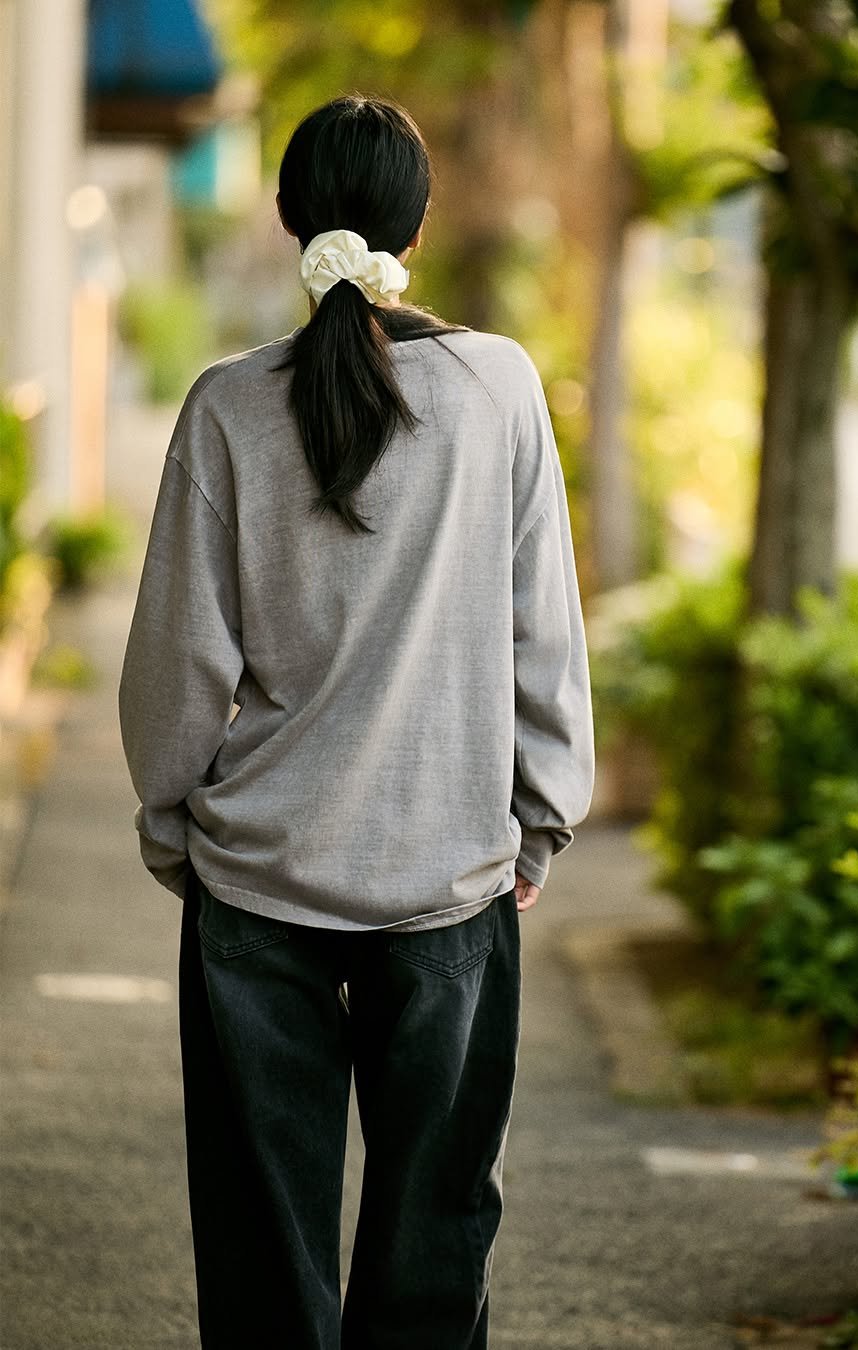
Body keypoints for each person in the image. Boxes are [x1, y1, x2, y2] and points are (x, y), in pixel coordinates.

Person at [118, 93, 594, 1350]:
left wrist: (175, 823)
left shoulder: (226, 409)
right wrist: (537, 821)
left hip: (256, 890)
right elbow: (541, 627)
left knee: (263, 1254)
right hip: (448, 878)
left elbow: (175, 665)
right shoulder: (498, 389)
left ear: (286, 221)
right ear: (418, 225)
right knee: (434, 1246)